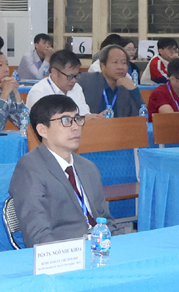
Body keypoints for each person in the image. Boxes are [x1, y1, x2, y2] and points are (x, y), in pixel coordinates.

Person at [9, 95, 116, 247]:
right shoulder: (30, 168)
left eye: (77, 119)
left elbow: (107, 220)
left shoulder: (88, 167)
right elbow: (38, 236)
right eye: (66, 120)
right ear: (42, 130)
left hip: (101, 247)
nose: (75, 127)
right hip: (65, 252)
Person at [76, 44, 144, 117]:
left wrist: (134, 91)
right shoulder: (86, 81)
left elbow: (141, 117)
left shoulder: (127, 87)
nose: (120, 67)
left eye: (124, 63)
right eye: (115, 62)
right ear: (103, 65)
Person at [24, 49, 88, 112]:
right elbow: (43, 118)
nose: (74, 80)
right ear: (54, 72)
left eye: (76, 76)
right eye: (70, 76)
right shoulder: (39, 92)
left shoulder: (77, 88)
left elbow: (84, 113)